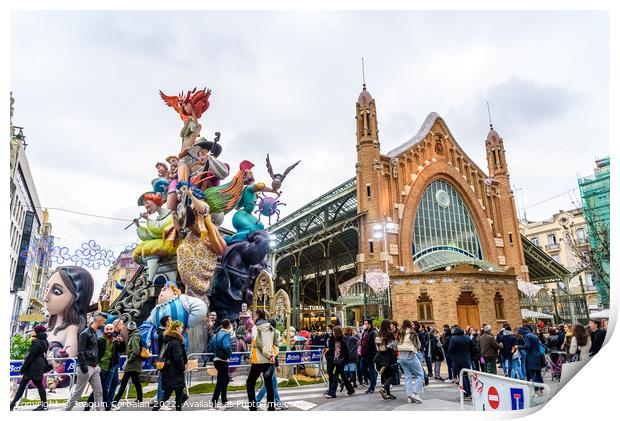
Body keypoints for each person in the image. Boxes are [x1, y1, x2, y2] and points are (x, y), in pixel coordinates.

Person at [66, 312, 108, 411]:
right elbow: (80, 352)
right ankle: (66, 410)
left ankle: (100, 411)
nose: (104, 324)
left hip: (95, 367)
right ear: (99, 321)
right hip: (86, 367)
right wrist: (84, 368)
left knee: (99, 391)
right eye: (104, 322)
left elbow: (97, 349)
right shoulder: (85, 333)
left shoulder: (96, 332)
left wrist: (98, 363)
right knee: (78, 394)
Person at [85, 323, 125, 411]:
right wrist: (96, 364)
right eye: (107, 329)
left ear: (113, 330)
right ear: (104, 330)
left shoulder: (115, 340)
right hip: (102, 367)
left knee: (108, 386)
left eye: (111, 329)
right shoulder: (100, 340)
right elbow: (95, 353)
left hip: (112, 366)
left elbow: (122, 350)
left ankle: (105, 406)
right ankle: (102, 407)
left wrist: (121, 342)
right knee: (102, 388)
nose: (109, 331)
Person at [10, 325, 50, 411]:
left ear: (37, 332)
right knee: (39, 385)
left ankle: (12, 405)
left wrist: (23, 369)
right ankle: (44, 405)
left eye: (33, 331)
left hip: (33, 367)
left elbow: (30, 357)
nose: (32, 332)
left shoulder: (37, 342)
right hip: (39, 366)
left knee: (22, 386)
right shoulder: (45, 341)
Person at [246, 309, 279, 411]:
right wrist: (272, 355)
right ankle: (271, 407)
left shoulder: (256, 328)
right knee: (269, 384)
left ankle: (253, 407)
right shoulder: (272, 328)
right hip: (269, 362)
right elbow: (276, 344)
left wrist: (269, 356)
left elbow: (258, 344)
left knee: (250, 383)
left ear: (257, 315)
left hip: (258, 360)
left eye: (254, 315)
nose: (253, 317)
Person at [153, 321, 188, 411]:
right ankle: (176, 409)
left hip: (168, 370)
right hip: (175, 371)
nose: (182, 329)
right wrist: (182, 368)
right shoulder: (176, 342)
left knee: (169, 394)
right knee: (175, 394)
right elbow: (178, 357)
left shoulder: (168, 340)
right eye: (181, 327)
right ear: (176, 328)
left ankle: (156, 408)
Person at [113, 321, 143, 406]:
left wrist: (128, 361)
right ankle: (140, 399)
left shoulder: (134, 337)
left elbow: (135, 351)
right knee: (136, 382)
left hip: (132, 363)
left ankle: (115, 401)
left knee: (124, 382)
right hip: (134, 363)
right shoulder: (135, 335)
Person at [324, 326, 355, 398]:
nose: (332, 333)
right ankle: (350, 390)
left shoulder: (342, 341)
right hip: (333, 360)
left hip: (341, 361)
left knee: (335, 375)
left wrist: (346, 361)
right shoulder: (332, 339)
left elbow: (346, 352)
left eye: (334, 332)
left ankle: (332, 393)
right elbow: (331, 348)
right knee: (342, 376)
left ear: (337, 333)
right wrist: (328, 351)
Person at [397, 320, 424, 404]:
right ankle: (415, 393)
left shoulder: (400, 333)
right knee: (420, 374)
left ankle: (409, 397)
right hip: (410, 355)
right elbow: (418, 345)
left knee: (407, 377)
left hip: (401, 357)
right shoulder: (412, 333)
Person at [211, 319, 233, 409]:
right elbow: (227, 346)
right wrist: (230, 353)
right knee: (221, 381)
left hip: (216, 359)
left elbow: (211, 347)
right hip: (223, 360)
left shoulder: (215, 335)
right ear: (228, 326)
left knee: (226, 379)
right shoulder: (226, 334)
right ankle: (214, 401)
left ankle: (224, 400)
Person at [448, 326, 475, 400]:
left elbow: (450, 350)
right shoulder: (467, 338)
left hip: (457, 360)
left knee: (461, 377)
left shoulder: (453, 339)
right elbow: (473, 347)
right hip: (466, 359)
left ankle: (465, 394)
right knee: (466, 376)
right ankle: (469, 393)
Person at [375, 319, 398, 400]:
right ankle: (384, 388)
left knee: (386, 375)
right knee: (392, 375)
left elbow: (377, 347)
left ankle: (388, 394)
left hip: (381, 357)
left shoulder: (378, 334)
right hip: (389, 357)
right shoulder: (389, 334)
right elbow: (394, 346)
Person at [520, 326, 544, 393]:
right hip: (538, 356)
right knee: (538, 374)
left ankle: (536, 391)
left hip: (532, 357)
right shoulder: (534, 335)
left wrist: (519, 347)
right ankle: (541, 390)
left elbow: (528, 346)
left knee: (533, 374)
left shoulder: (527, 336)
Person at [359, 319, 378, 393]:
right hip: (363, 354)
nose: (364, 325)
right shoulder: (364, 332)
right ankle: (373, 380)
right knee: (362, 368)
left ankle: (372, 387)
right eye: (364, 324)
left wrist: (375, 354)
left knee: (371, 369)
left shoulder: (374, 332)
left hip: (371, 354)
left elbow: (375, 344)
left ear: (369, 324)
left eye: (365, 324)